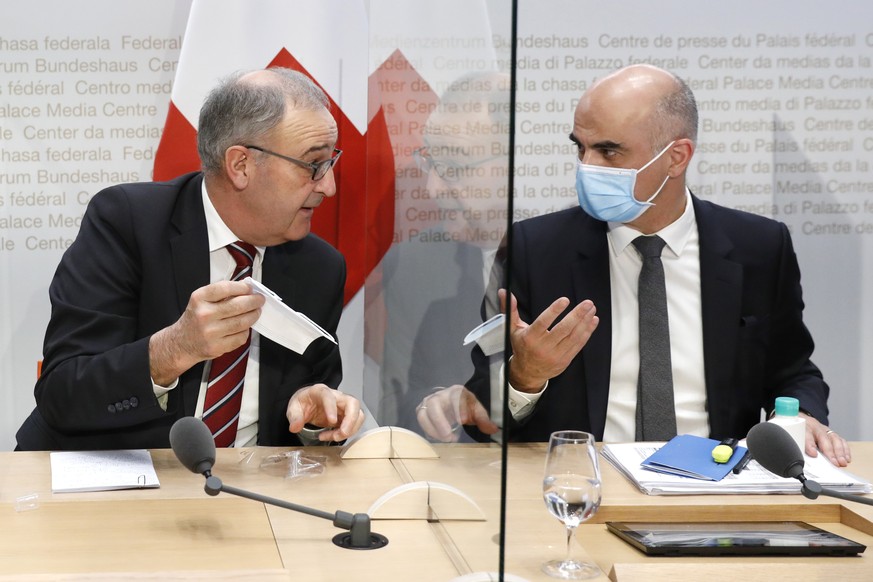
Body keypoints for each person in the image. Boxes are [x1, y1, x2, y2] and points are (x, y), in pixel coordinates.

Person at [462, 63, 851, 467]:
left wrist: (801, 417)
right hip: (582, 486)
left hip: (716, 488)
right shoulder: (534, 249)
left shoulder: (759, 247)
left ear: (676, 157)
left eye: (608, 151)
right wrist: (526, 376)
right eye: (581, 147)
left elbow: (792, 371)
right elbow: (479, 417)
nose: (587, 166)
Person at [15, 67, 365, 450]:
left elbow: (306, 406)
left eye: (330, 162)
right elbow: (63, 394)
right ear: (241, 165)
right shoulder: (128, 223)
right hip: (108, 480)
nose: (329, 186)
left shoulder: (320, 267)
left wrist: (312, 419)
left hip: (242, 491)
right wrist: (173, 349)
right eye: (313, 165)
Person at [371, 71, 509, 442]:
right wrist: (430, 407)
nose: (433, 187)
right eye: (430, 162)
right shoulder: (415, 263)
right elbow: (396, 402)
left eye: (453, 168)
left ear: (515, 166)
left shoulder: (572, 253)